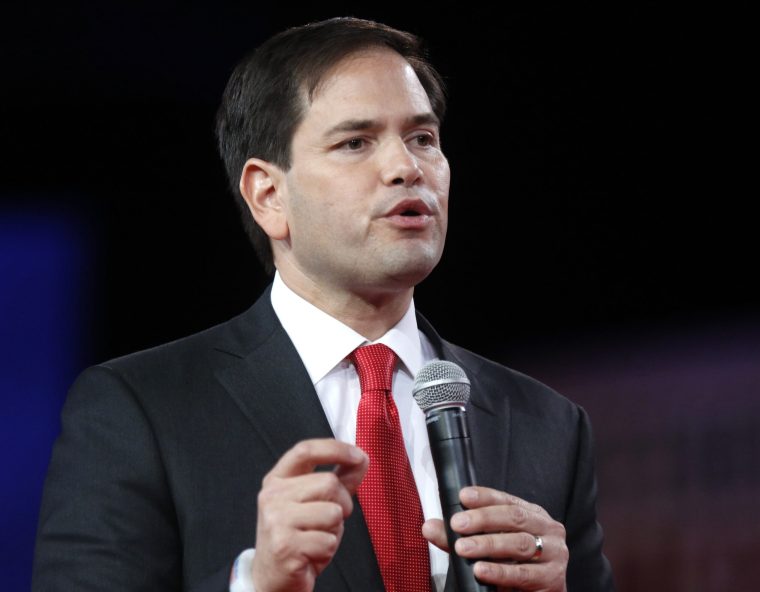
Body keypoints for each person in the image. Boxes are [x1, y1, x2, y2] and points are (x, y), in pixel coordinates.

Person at [32, 17, 614, 592]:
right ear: (268, 195)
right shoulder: (141, 409)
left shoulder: (548, 424)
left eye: (423, 138)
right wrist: (254, 584)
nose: (406, 168)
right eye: (355, 142)